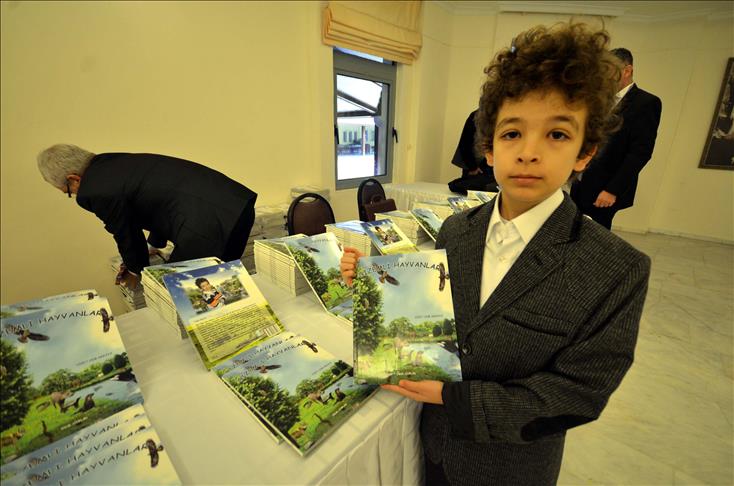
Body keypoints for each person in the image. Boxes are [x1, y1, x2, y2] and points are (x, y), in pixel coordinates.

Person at [341, 22, 651, 485]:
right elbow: (434, 319)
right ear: (488, 148)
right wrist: (378, 289)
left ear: (585, 152)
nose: (528, 153)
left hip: (509, 468)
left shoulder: (615, 269)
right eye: (511, 134)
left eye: (557, 135)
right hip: (433, 449)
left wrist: (452, 399)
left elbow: (578, 394)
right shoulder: (455, 231)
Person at [37, 145, 257, 288]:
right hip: (236, 206)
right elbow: (159, 199)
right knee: (220, 287)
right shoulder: (111, 161)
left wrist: (136, 272)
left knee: (182, 292)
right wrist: (154, 245)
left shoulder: (93, 190)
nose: (74, 195)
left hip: (209, 226)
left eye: (68, 191)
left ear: (74, 179)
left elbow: (126, 232)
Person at [570, 47, 662, 229]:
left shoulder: (646, 103)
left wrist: (612, 190)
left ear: (627, 71)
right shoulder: (598, 100)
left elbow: (640, 153)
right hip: (581, 181)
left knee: (595, 236)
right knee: (571, 231)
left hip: (605, 187)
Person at [447, 110, 500, 194]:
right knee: (468, 192)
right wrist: (472, 167)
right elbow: (465, 143)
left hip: (492, 166)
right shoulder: (476, 115)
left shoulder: (503, 114)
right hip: (474, 167)